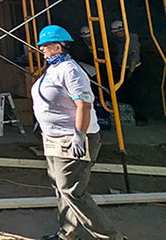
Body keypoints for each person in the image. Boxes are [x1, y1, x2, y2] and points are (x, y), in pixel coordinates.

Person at [32, 25, 127, 240]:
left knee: (73, 191)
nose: (41, 50)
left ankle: (111, 237)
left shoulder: (71, 70)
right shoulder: (54, 69)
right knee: (61, 189)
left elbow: (83, 104)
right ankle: (67, 233)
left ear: (57, 46)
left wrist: (79, 134)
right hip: (55, 138)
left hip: (72, 138)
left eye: (45, 46)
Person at [109, 20, 146, 126]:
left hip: (133, 70)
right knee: (123, 94)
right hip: (122, 69)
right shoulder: (119, 41)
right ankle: (126, 116)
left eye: (117, 32)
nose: (116, 35)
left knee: (136, 95)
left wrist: (131, 71)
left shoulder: (132, 39)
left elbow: (134, 55)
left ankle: (140, 118)